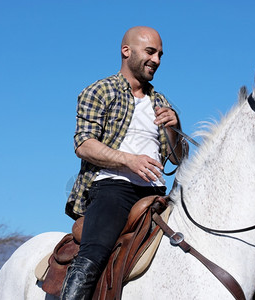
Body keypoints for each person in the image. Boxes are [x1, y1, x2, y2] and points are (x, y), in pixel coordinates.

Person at [61, 26, 187, 300]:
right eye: (150, 52)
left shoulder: (162, 101)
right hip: (112, 189)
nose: (157, 60)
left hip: (158, 194)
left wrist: (174, 128)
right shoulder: (100, 91)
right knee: (93, 255)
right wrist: (128, 160)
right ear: (126, 51)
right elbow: (83, 144)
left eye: (160, 55)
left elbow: (178, 158)